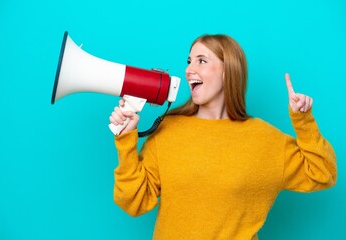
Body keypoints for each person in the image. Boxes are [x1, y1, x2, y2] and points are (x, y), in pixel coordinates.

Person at [109, 34, 337, 240]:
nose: (189, 70)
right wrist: (126, 141)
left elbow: (322, 172)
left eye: (202, 61)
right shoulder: (167, 132)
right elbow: (133, 202)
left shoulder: (265, 140)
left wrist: (303, 121)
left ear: (229, 70)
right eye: (189, 61)